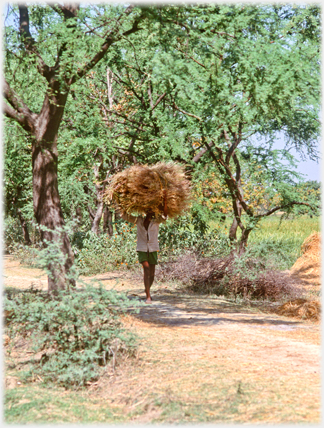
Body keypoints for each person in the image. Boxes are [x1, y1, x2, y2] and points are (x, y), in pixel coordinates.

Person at [119, 190, 168, 303]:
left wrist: (165, 199)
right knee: (146, 269)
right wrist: (121, 200)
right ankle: (148, 296)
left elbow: (165, 215)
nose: (150, 212)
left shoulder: (156, 221)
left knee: (152, 274)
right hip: (141, 248)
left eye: (152, 210)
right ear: (145, 211)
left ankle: (147, 290)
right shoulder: (139, 220)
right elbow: (125, 215)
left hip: (153, 248)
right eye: (148, 210)